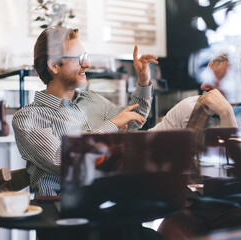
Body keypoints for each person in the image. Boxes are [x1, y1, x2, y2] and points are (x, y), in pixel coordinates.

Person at [12, 26, 158, 198]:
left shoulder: (92, 100)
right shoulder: (28, 118)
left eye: (86, 57)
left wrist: (143, 82)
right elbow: (64, 162)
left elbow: (133, 120)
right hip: (60, 212)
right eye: (79, 58)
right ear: (54, 66)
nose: (87, 64)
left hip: (102, 203)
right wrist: (111, 125)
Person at [149, 46, 241, 240]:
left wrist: (227, 115)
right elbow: (152, 143)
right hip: (195, 208)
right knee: (169, 229)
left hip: (239, 211)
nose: (203, 86)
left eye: (215, 81)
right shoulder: (189, 107)